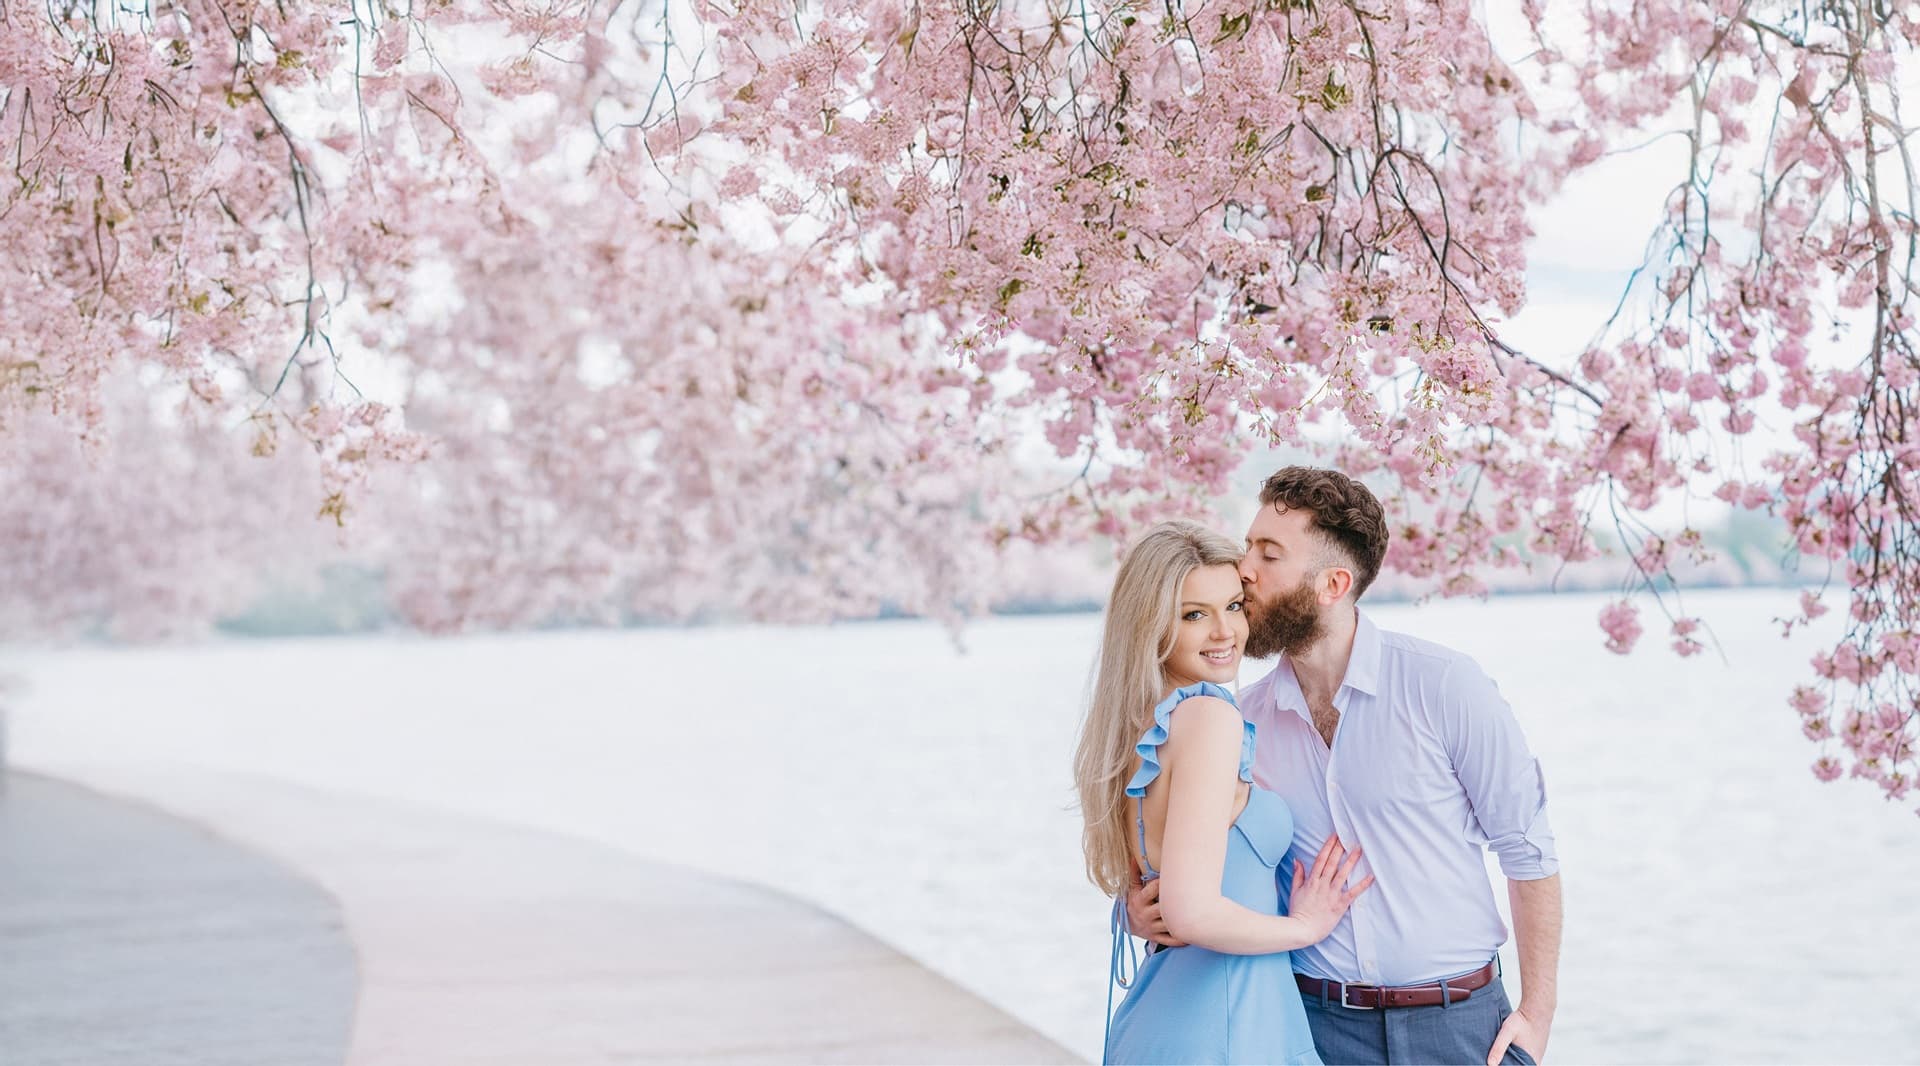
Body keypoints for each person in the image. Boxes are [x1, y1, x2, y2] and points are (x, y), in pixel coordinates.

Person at [1127, 468, 1563, 1066]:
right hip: (1313, 1028)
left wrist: (1537, 1014)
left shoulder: (1444, 687)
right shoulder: (1240, 721)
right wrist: (1140, 908)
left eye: (1269, 553)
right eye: (1249, 544)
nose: (1243, 567)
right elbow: (1206, 864)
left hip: (1461, 1027)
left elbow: (1528, 849)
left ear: (1332, 583)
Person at [1076, 520, 1374, 1065]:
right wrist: (1303, 927)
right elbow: (1191, 913)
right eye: (1194, 615)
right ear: (1151, 625)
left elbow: (1158, 888)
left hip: (1170, 1016)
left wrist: (1130, 914)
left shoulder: (1132, 729)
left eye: (1234, 606)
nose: (1224, 632)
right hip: (1227, 1028)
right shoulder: (1210, 716)